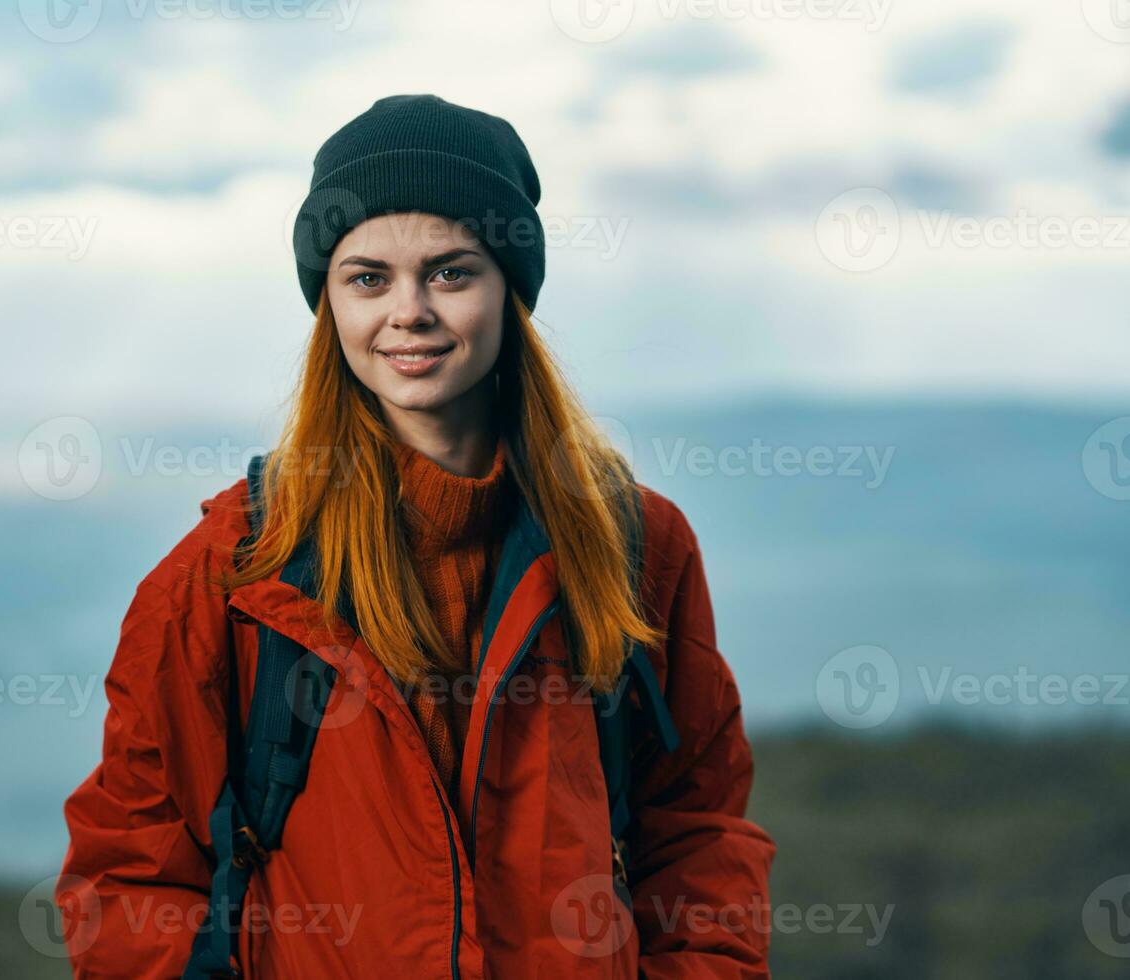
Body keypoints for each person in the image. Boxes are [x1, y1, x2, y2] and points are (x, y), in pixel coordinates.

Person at [56, 93, 774, 978]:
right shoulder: (237, 573)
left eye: (449, 272)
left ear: (510, 289)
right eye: (368, 278)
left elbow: (697, 833)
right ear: (328, 300)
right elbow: (131, 873)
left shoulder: (636, 545)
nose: (408, 312)